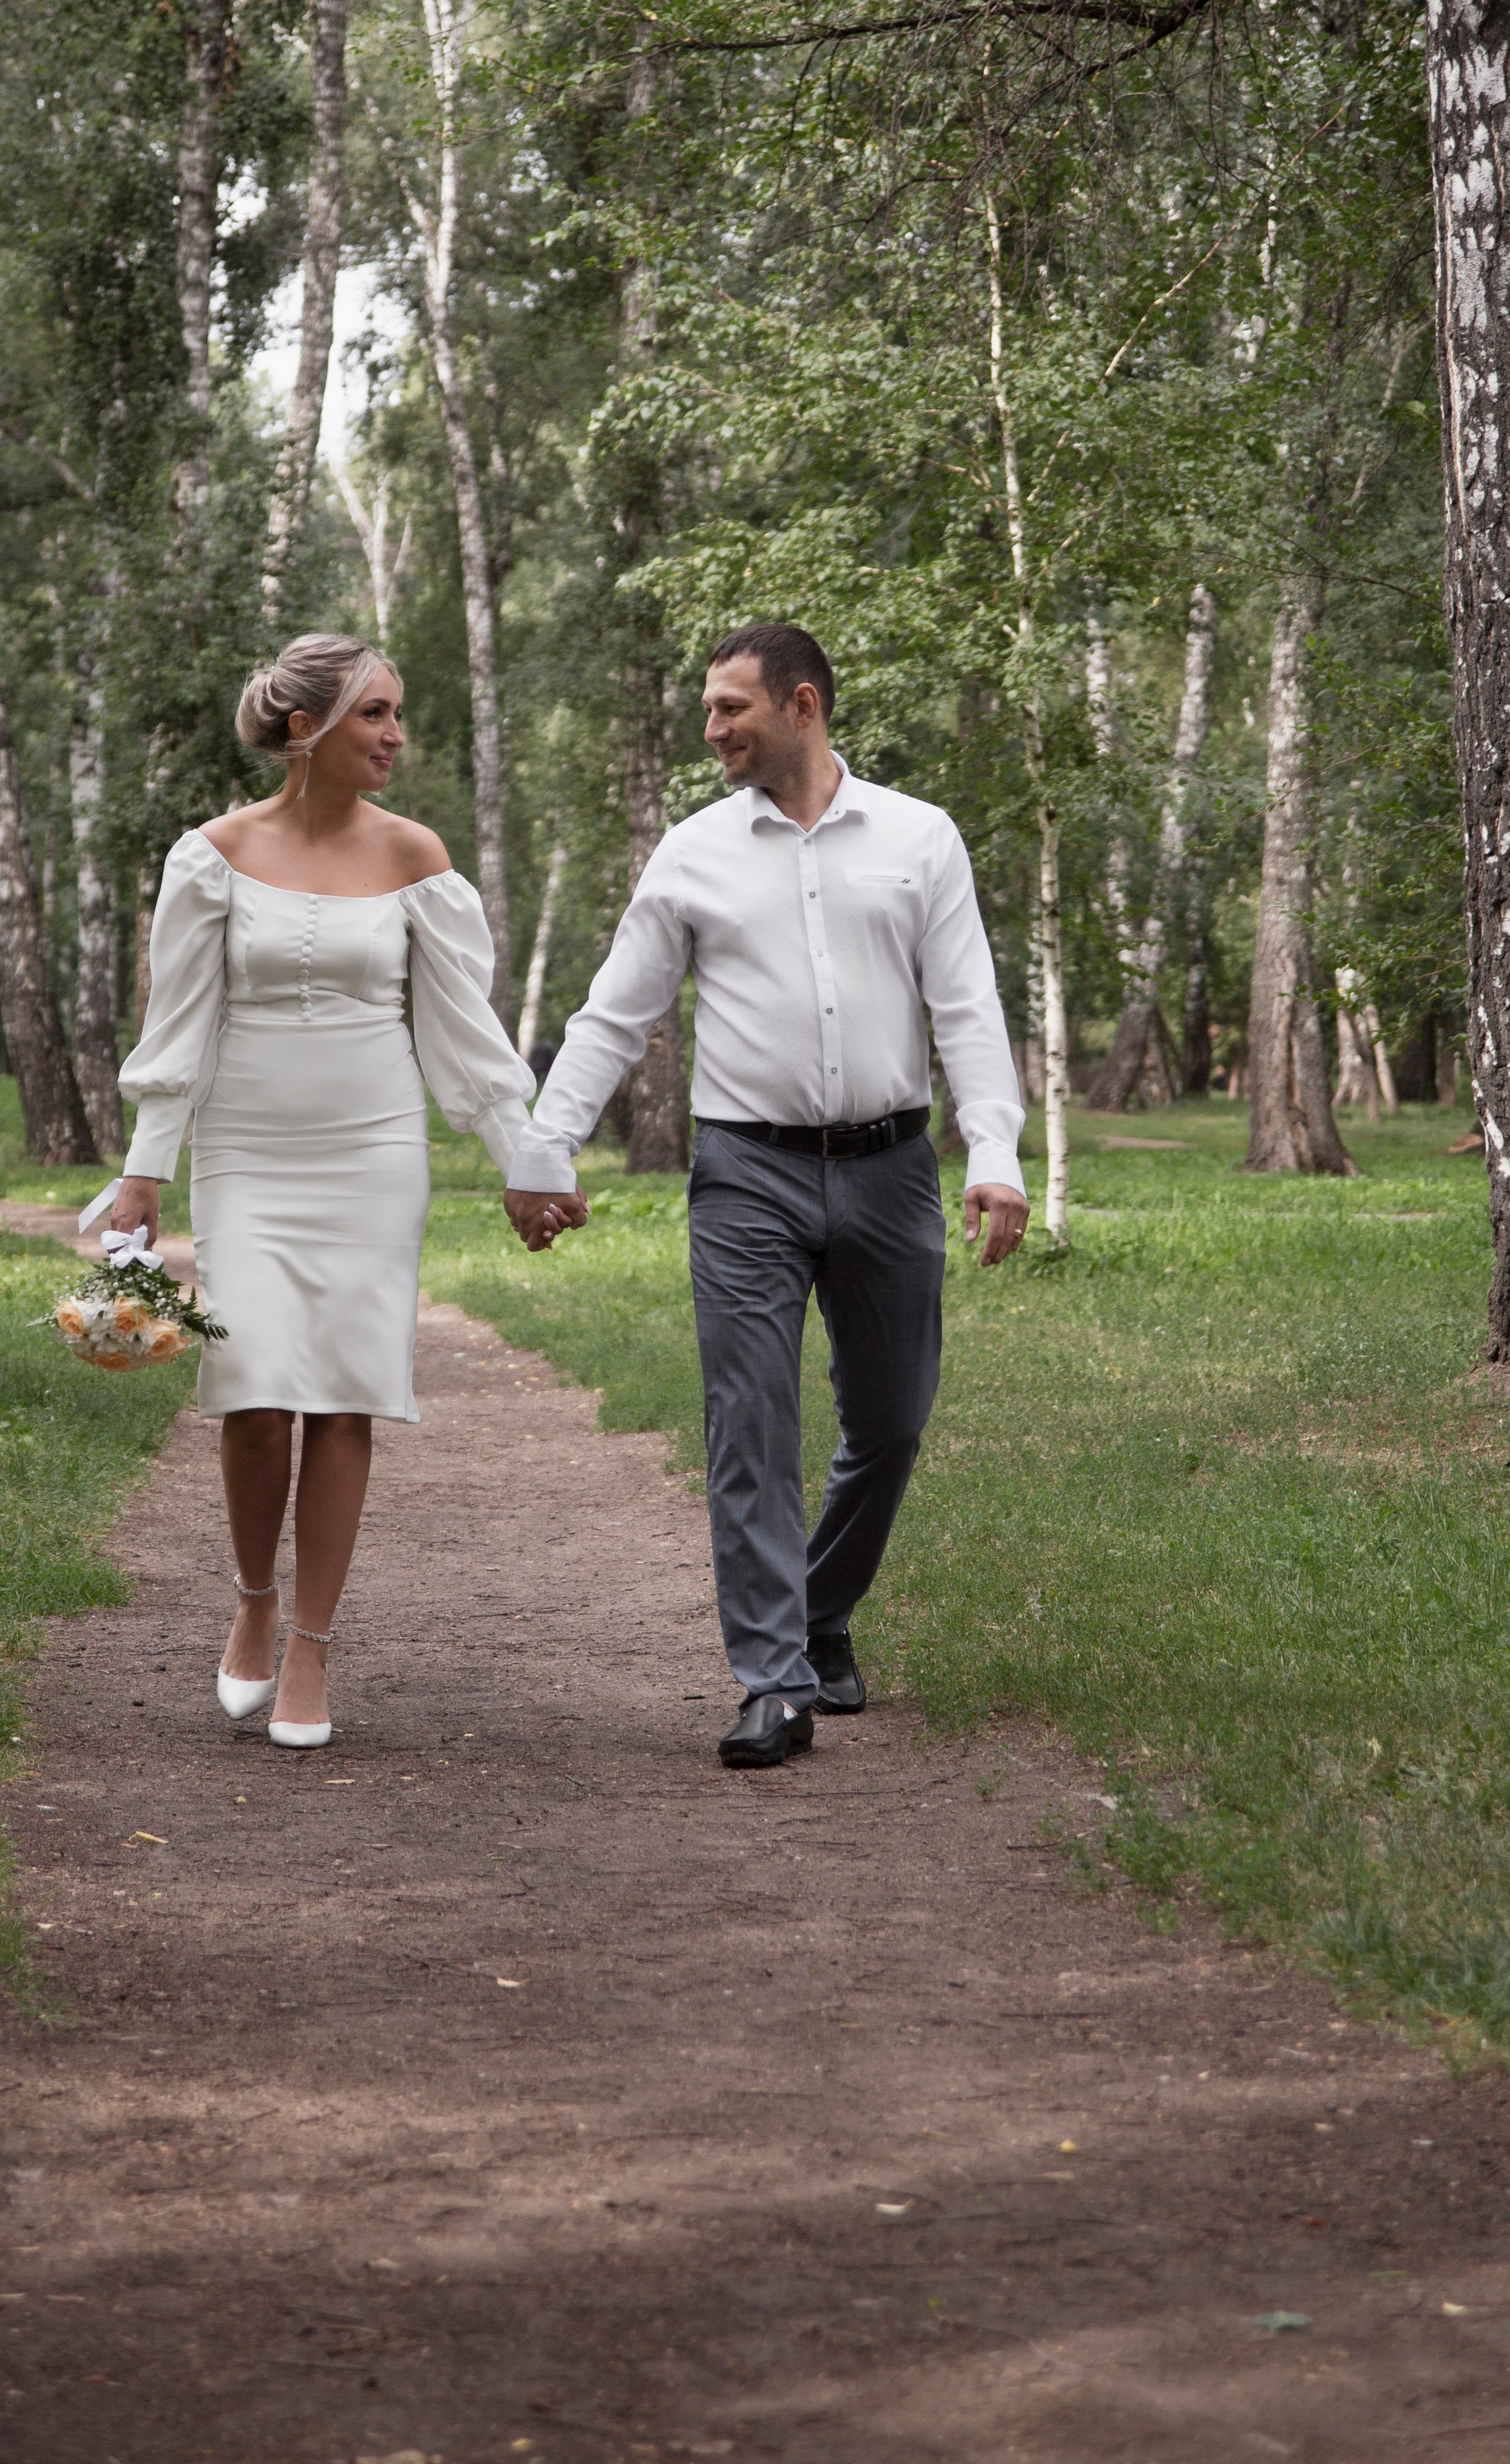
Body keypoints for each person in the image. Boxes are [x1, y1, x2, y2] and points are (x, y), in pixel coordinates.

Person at [503, 621, 1028, 1768]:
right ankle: (775, 1681)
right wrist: (545, 1151)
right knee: (751, 1419)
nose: (711, 730)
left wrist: (996, 1154)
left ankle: (820, 1610)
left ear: (801, 705)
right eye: (706, 709)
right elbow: (613, 1016)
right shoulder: (692, 853)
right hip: (747, 1171)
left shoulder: (919, 838)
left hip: (894, 1167)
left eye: (730, 708)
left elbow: (969, 1009)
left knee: (891, 1420)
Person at [106, 634, 533, 1752]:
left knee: (348, 1391)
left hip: (375, 1145)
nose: (397, 735)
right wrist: (147, 1167)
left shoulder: (416, 857)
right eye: (375, 714)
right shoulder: (209, 855)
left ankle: (311, 1644)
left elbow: (463, 1032)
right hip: (246, 1146)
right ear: (306, 730)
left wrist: (525, 1156)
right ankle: (252, 1598)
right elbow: (181, 1020)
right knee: (248, 1385)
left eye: (398, 713)